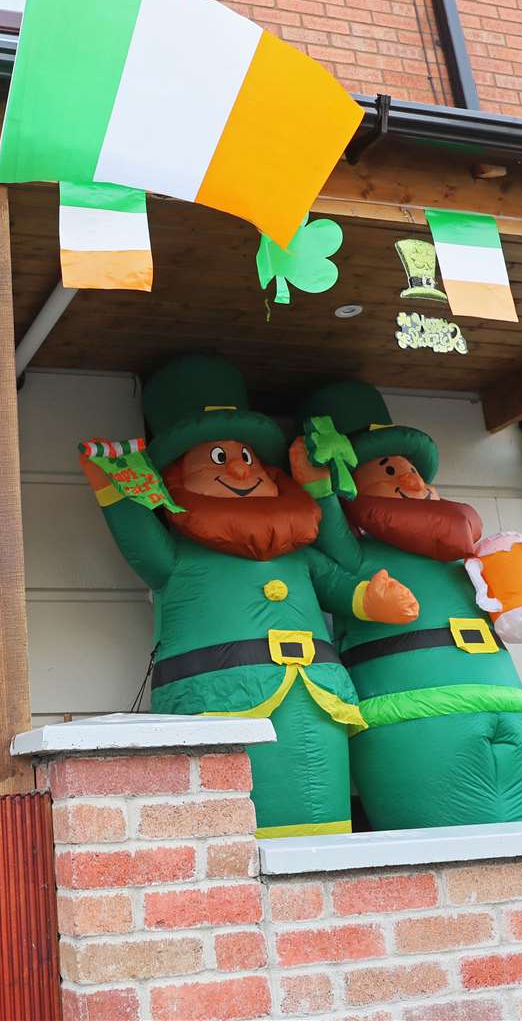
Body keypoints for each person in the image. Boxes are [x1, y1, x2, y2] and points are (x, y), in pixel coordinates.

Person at [78, 354, 418, 839]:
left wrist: (368, 598)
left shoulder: (298, 550)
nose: (239, 470)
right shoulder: (180, 555)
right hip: (219, 696)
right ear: (176, 478)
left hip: (317, 698)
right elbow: (140, 540)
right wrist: (112, 486)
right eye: (219, 458)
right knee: (234, 838)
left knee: (323, 830)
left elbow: (336, 585)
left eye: (247, 457)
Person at [291, 379, 522, 830]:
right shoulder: (357, 552)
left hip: (503, 698)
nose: (411, 479)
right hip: (413, 708)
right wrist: (365, 595)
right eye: (390, 471)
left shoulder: (466, 553)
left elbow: (508, 595)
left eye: (413, 469)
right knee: (437, 845)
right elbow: (329, 524)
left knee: (521, 839)